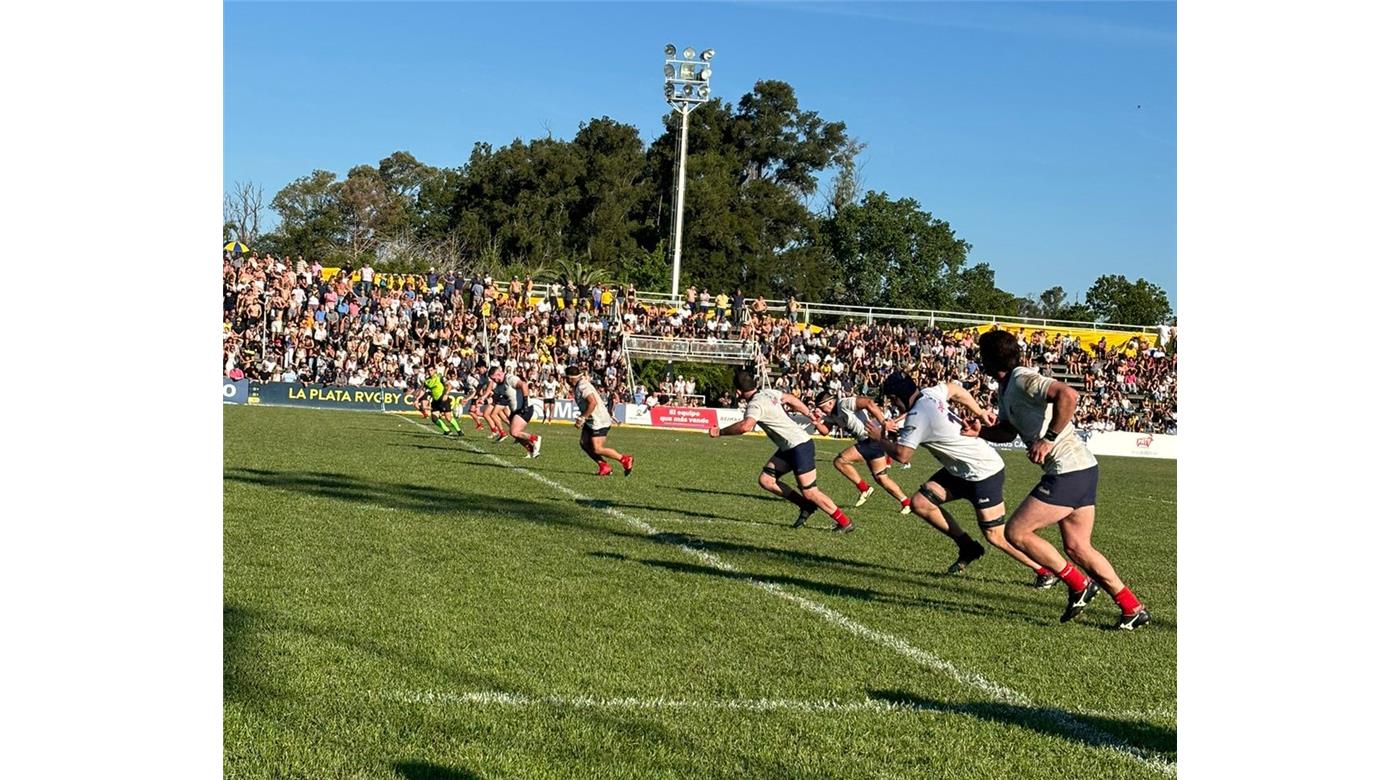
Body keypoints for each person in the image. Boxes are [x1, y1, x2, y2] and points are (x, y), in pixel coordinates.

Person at [966, 330, 1151, 629]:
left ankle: (1079, 584)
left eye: (981, 354)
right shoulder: (1006, 386)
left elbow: (1068, 394)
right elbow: (1009, 432)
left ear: (990, 358)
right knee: (1078, 548)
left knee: (1016, 532)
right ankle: (1132, 608)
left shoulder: (1022, 378)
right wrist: (981, 432)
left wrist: (1049, 439)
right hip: (1081, 469)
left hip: (1069, 470)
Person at [877, 372, 1051, 585]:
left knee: (995, 534)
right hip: (960, 470)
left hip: (983, 472)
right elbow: (955, 390)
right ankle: (969, 548)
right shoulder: (929, 394)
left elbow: (903, 455)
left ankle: (1044, 571)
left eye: (893, 400)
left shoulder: (917, 414)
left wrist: (879, 440)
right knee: (921, 503)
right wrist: (980, 412)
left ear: (897, 396)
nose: (895, 405)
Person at [708, 370, 853, 532]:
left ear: (738, 392)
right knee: (766, 480)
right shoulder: (768, 393)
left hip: (800, 446)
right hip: (790, 447)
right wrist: (808, 413)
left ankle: (845, 522)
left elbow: (745, 426)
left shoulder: (755, 404)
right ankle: (806, 506)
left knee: (810, 492)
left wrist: (719, 432)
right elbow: (790, 398)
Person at [808, 391, 912, 514]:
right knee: (881, 478)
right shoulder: (831, 415)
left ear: (830, 403)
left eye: (822, 407)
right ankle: (906, 503)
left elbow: (868, 402)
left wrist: (884, 422)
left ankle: (864, 488)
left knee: (840, 461)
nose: (822, 411)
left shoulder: (844, 404)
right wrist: (816, 423)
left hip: (870, 439)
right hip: (871, 442)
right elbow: (825, 431)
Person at [566, 365, 633, 477]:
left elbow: (593, 402)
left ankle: (624, 459)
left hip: (599, 420)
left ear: (570, 378)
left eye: (566, 378)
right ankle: (604, 466)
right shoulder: (578, 385)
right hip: (591, 420)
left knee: (597, 449)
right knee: (584, 443)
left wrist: (583, 417)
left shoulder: (583, 386)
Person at [484, 365, 542, 458]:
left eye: (494, 379)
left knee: (514, 432)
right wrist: (482, 401)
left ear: (499, 374)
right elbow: (495, 400)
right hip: (515, 411)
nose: (494, 381)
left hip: (524, 408)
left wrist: (525, 404)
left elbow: (524, 385)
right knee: (515, 435)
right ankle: (532, 450)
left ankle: (535, 438)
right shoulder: (499, 386)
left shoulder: (510, 379)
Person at [423, 367, 463, 437]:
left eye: (431, 370)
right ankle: (447, 431)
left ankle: (459, 431)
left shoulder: (440, 377)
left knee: (448, 418)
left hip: (443, 399)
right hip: (435, 401)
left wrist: (446, 394)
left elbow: (449, 386)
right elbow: (423, 390)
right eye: (428, 370)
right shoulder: (427, 381)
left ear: (435, 370)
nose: (430, 372)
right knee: (434, 418)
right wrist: (417, 399)